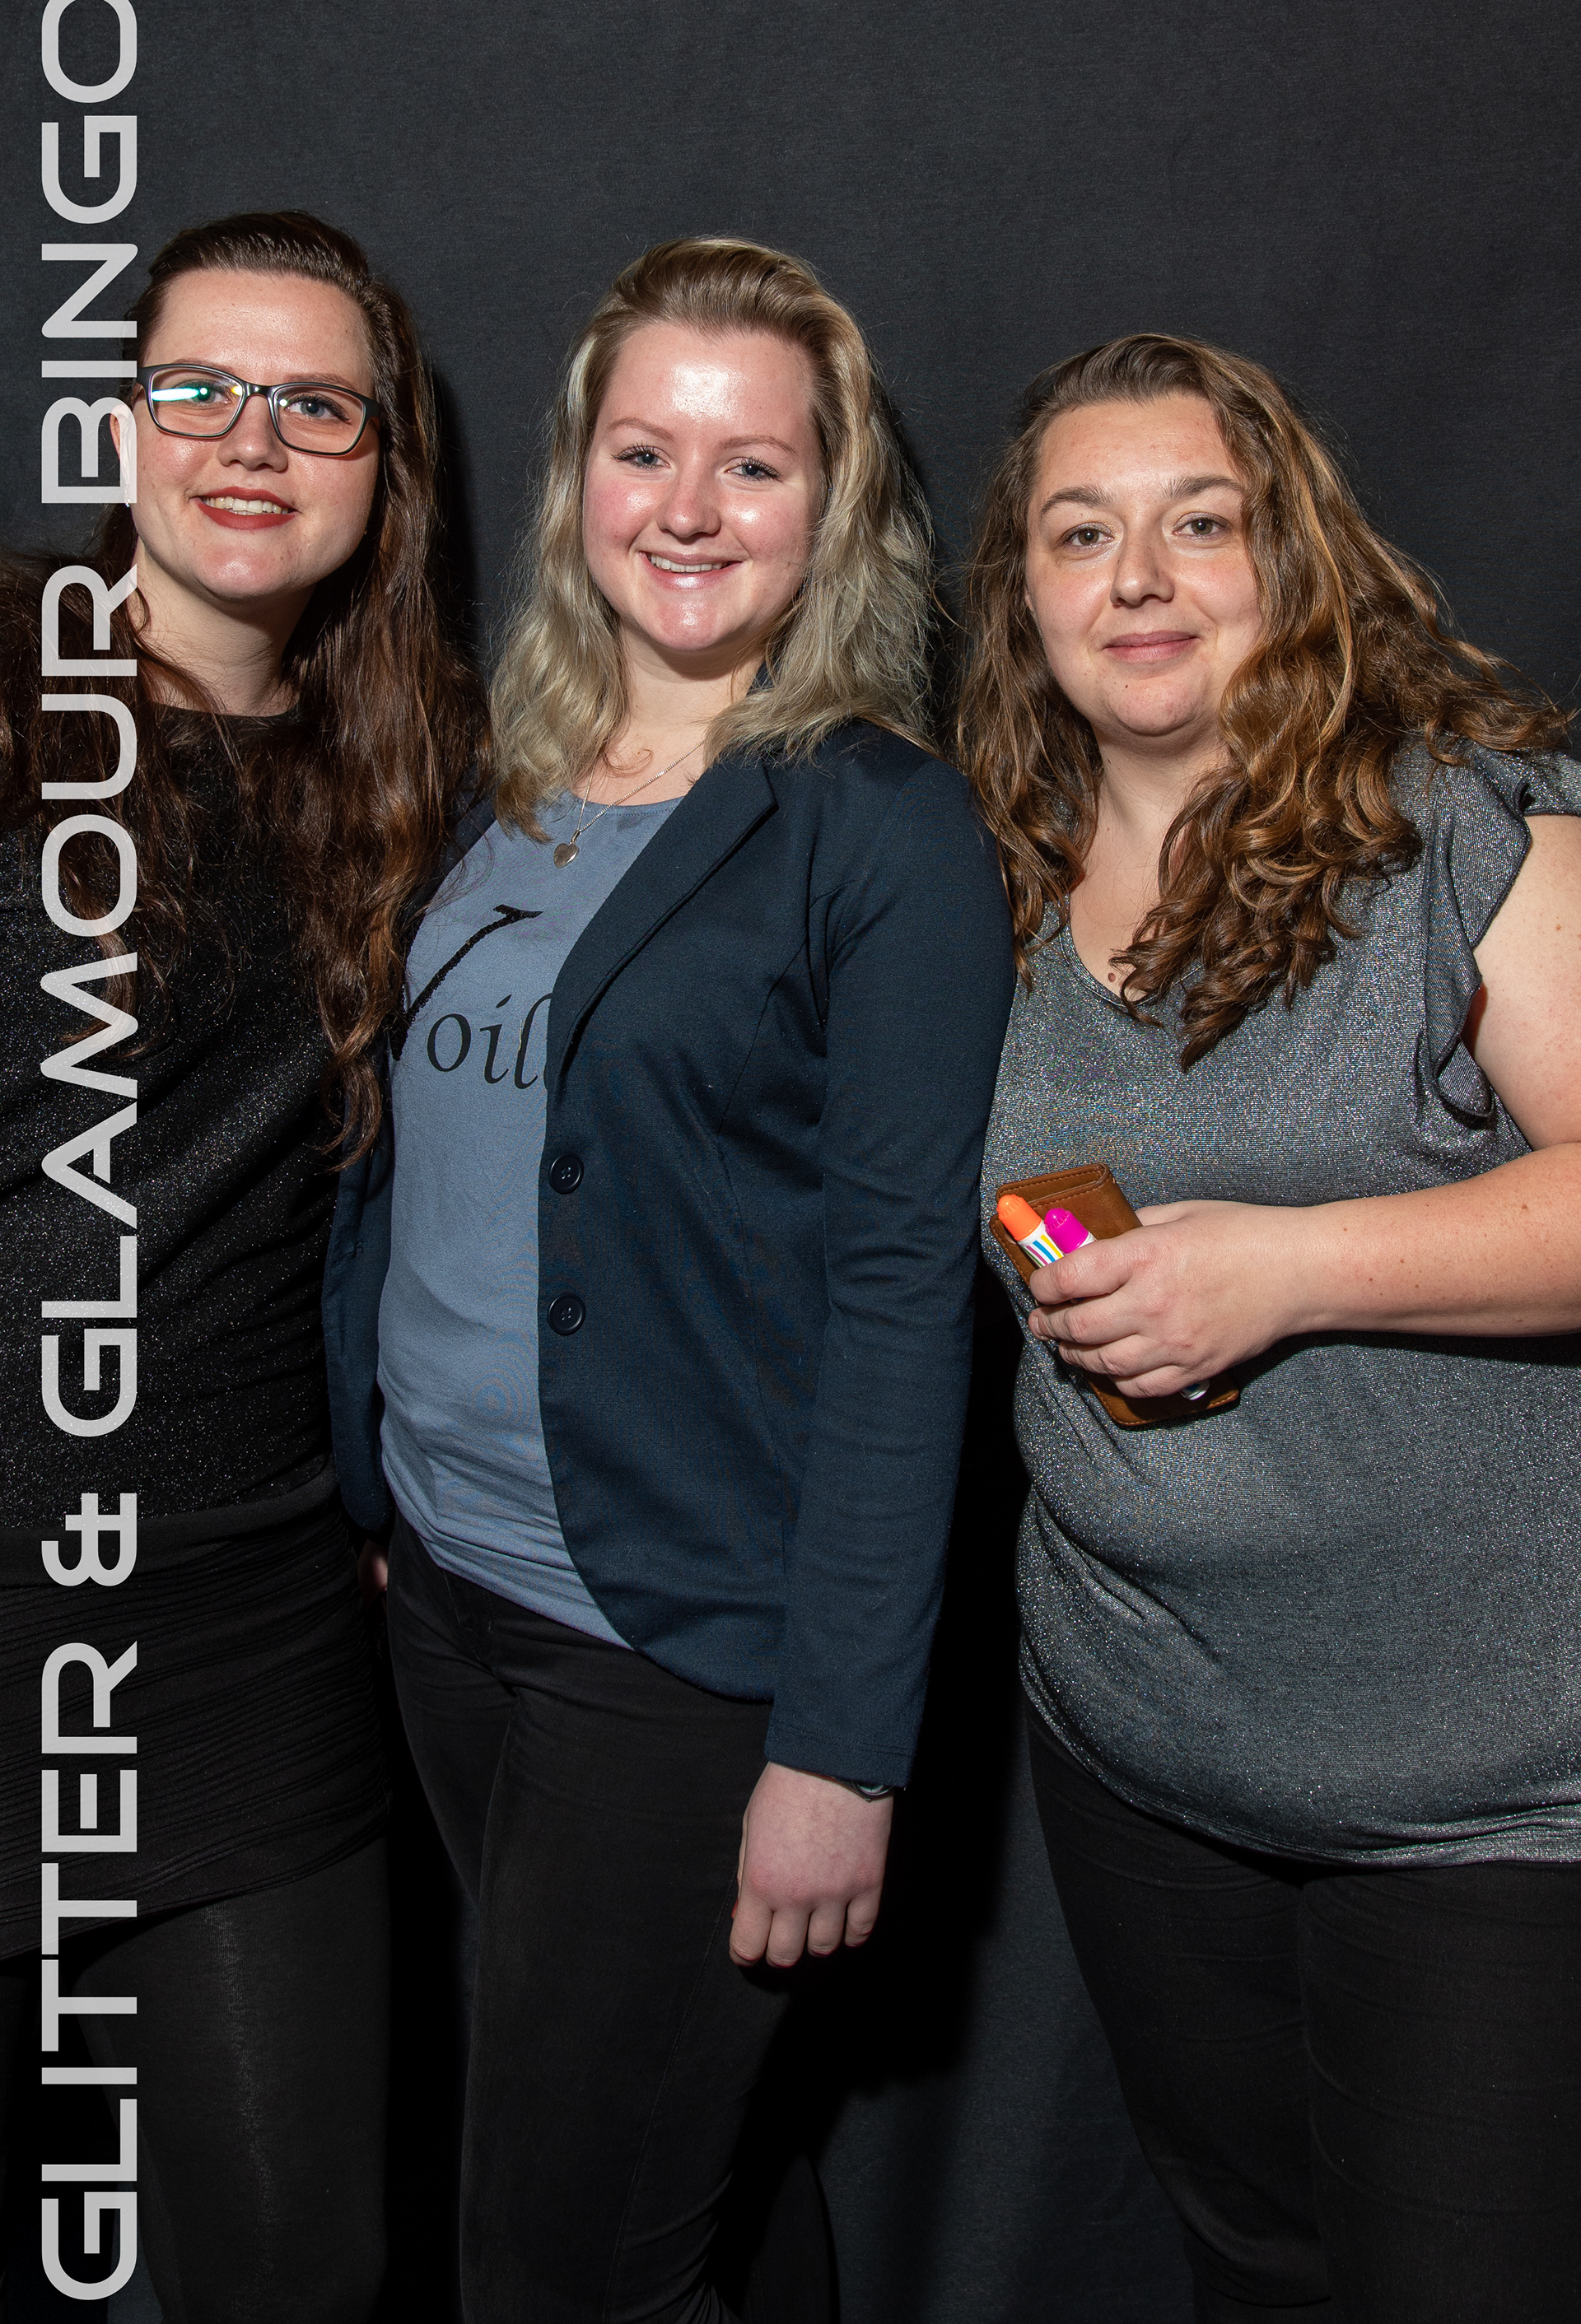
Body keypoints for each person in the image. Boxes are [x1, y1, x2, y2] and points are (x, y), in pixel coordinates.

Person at [324, 235, 1014, 2323]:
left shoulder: (878, 827)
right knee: (692, 2192)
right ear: (577, 480)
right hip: (449, 1595)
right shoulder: (490, 784)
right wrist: (379, 1480)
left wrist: (844, 1746)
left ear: (836, 509)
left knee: (555, 2267)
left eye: (755, 465)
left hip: (675, 1644)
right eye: (646, 452)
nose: (691, 510)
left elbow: (905, 1300)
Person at [962, 333, 1581, 2322]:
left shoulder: (1460, 834)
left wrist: (1296, 1267)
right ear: (1024, 593)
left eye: (1199, 523)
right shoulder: (983, 878)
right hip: (1146, 1755)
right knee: (1252, 2269)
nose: (1139, 578)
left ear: (1291, 559)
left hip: (1489, 1791)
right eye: (1083, 534)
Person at [0, 210, 483, 2322]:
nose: (250, 441)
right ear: (117, 424)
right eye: (195, 387)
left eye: (315, 405)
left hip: (243, 1616)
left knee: (300, 2260)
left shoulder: (414, 794)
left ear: (387, 463)